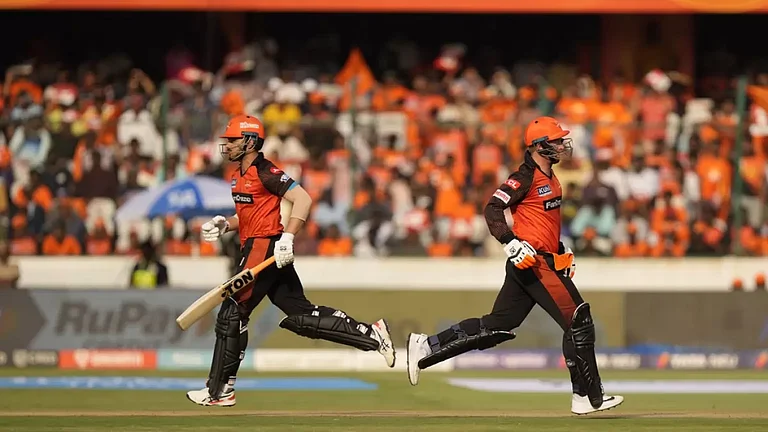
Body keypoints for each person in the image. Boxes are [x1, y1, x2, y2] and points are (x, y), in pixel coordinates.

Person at [405, 117, 624, 415]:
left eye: (562, 140)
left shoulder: (552, 178)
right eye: (556, 140)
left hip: (541, 261)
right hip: (533, 263)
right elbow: (492, 208)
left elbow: (542, 223)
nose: (562, 145)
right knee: (579, 321)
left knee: (497, 325)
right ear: (538, 146)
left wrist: (561, 250)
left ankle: (427, 346)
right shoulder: (524, 177)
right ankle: (589, 396)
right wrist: (509, 241)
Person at [186, 115, 395, 407]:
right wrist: (225, 224)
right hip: (257, 243)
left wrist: (288, 237)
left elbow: (303, 199)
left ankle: (219, 390)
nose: (227, 145)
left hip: (264, 247)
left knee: (232, 314)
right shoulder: (238, 175)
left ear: (249, 141)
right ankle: (372, 334)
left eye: (232, 140)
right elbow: (248, 217)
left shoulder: (265, 170)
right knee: (302, 316)